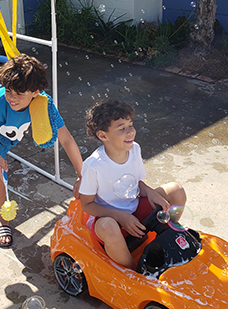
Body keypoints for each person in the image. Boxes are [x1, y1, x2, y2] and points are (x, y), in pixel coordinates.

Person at [0, 53, 82, 248]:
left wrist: (81, 174)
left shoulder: (44, 106)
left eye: (19, 94)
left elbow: (66, 139)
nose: (12, 98)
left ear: (35, 92)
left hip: (8, 129)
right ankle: (2, 220)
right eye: (8, 91)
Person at [79, 99, 186, 270]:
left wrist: (150, 192)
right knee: (108, 227)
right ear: (103, 135)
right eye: (122, 129)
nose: (130, 132)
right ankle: (133, 272)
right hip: (110, 221)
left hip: (134, 211)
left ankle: (165, 237)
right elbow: (87, 205)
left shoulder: (134, 149)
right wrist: (121, 217)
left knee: (176, 190)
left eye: (131, 125)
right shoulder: (94, 165)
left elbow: (135, 183)